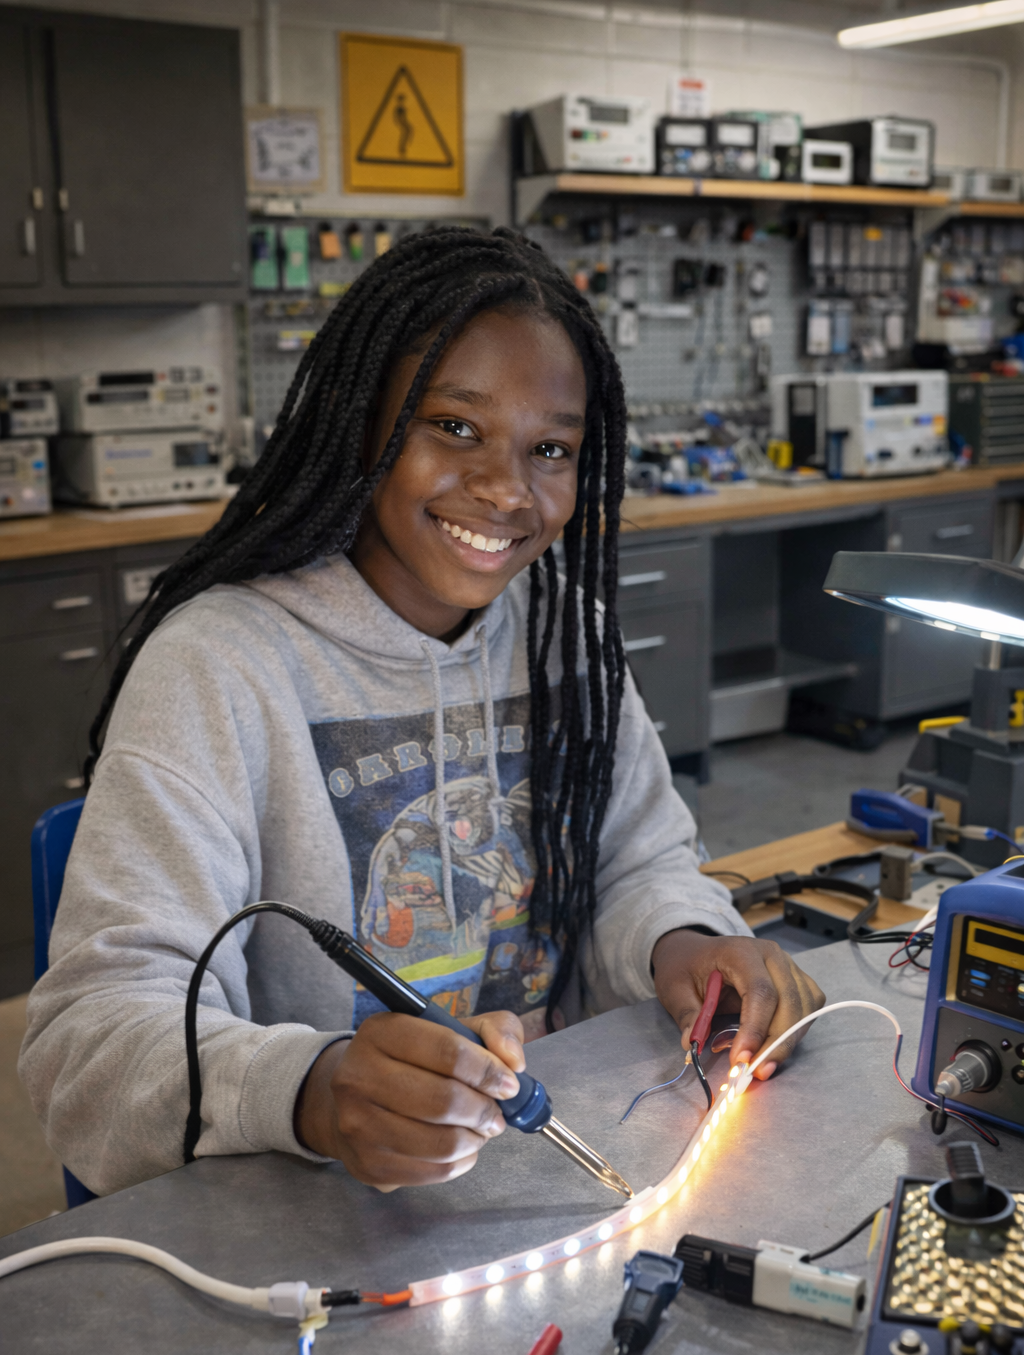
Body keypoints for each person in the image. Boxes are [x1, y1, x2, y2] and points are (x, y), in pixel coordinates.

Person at [21, 228, 824, 1197]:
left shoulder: (565, 633)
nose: (505, 488)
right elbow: (90, 1043)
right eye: (453, 426)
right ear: (363, 425)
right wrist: (313, 1090)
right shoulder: (218, 666)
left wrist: (684, 947)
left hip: (544, 1173)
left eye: (551, 449)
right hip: (303, 1216)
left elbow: (640, 864)